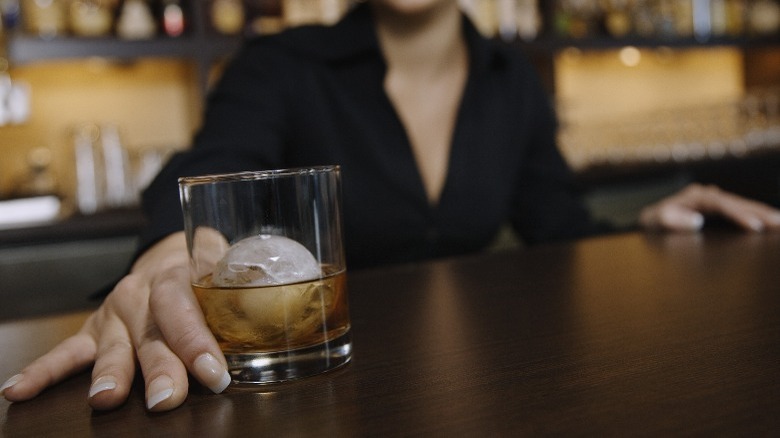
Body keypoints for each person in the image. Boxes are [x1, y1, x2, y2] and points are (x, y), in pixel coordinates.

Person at [3, 0, 780, 412]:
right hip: (319, 402)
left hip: (496, 398)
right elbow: (213, 167)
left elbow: (557, 226)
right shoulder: (281, 65)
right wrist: (176, 251)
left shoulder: (513, 79)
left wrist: (647, 227)